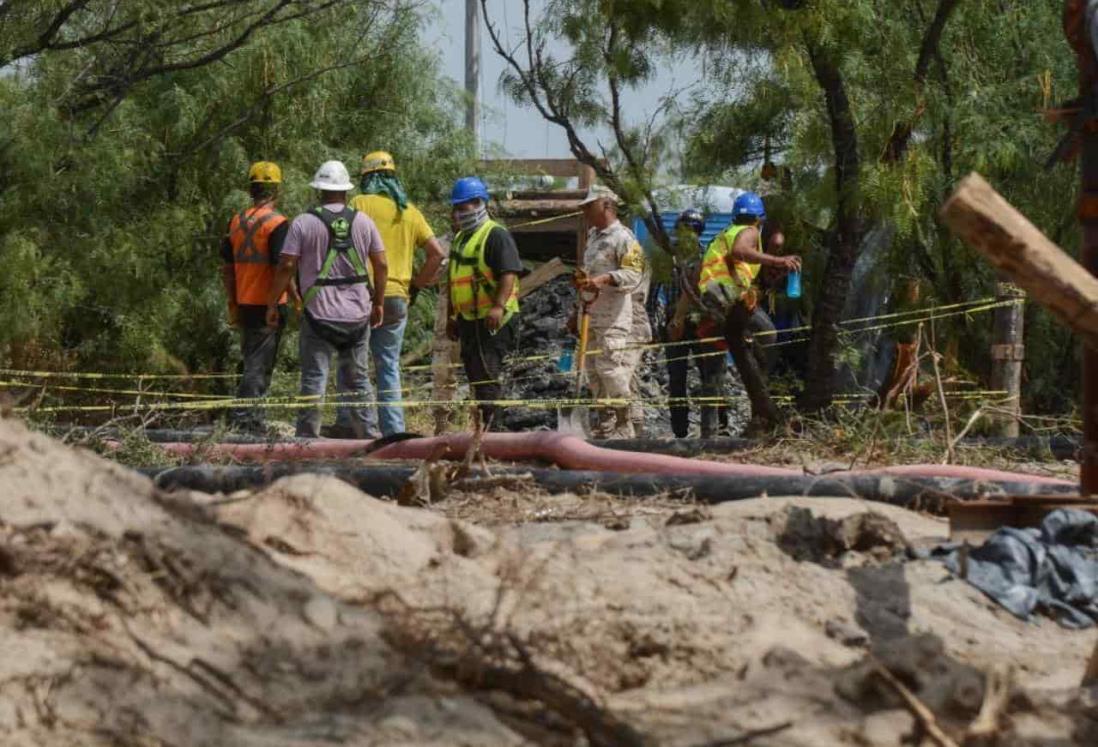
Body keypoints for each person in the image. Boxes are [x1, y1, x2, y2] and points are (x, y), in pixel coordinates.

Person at [266, 160, 388, 439]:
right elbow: (381, 264)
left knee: (314, 379)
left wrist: (273, 303)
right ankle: (369, 438)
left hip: (318, 316)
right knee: (358, 381)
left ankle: (307, 441)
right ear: (346, 190)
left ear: (318, 190)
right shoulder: (363, 222)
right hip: (357, 316)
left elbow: (285, 267)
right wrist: (378, 302)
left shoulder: (303, 223)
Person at [349, 151, 446, 436]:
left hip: (362, 296)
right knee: (388, 365)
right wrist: (416, 286)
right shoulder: (410, 212)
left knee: (355, 364)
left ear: (367, 178)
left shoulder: (358, 204)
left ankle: (361, 428)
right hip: (398, 298)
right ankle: (393, 431)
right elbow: (437, 255)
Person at [698, 192, 800, 432]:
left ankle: (732, 422)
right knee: (769, 336)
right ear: (759, 219)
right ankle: (762, 399)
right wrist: (776, 261)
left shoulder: (725, 232)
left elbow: (730, 263)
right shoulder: (750, 232)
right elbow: (740, 251)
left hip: (713, 297)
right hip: (725, 294)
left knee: (740, 349)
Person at [445, 176, 522, 431]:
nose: (458, 213)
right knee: (477, 379)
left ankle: (494, 434)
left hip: (493, 321)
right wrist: (452, 316)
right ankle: (485, 431)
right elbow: (454, 280)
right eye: (456, 208)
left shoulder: (496, 235)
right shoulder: (460, 239)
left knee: (488, 378)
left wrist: (498, 306)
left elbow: (508, 272)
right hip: (469, 321)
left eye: (463, 207)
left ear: (479, 203)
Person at [219, 161, 290, 434]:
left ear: (251, 190)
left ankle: (251, 419)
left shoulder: (236, 221)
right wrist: (277, 303)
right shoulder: (277, 223)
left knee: (252, 361)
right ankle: (246, 422)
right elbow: (282, 267)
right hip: (267, 305)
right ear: (276, 191)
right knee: (258, 367)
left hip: (245, 302)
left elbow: (227, 269)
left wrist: (233, 303)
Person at [575, 184, 647, 439]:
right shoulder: (594, 237)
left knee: (610, 368)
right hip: (591, 314)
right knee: (593, 371)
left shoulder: (624, 238)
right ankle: (605, 423)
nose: (585, 211)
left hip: (614, 317)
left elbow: (633, 275)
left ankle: (623, 422)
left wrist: (605, 279)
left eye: (589, 205)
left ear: (606, 205)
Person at [657, 208, 730, 438]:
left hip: (702, 321)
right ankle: (680, 432)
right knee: (677, 378)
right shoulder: (668, 257)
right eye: (685, 229)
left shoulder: (708, 257)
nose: (689, 234)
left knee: (710, 375)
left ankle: (720, 426)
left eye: (694, 230)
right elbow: (652, 292)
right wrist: (655, 323)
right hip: (674, 323)